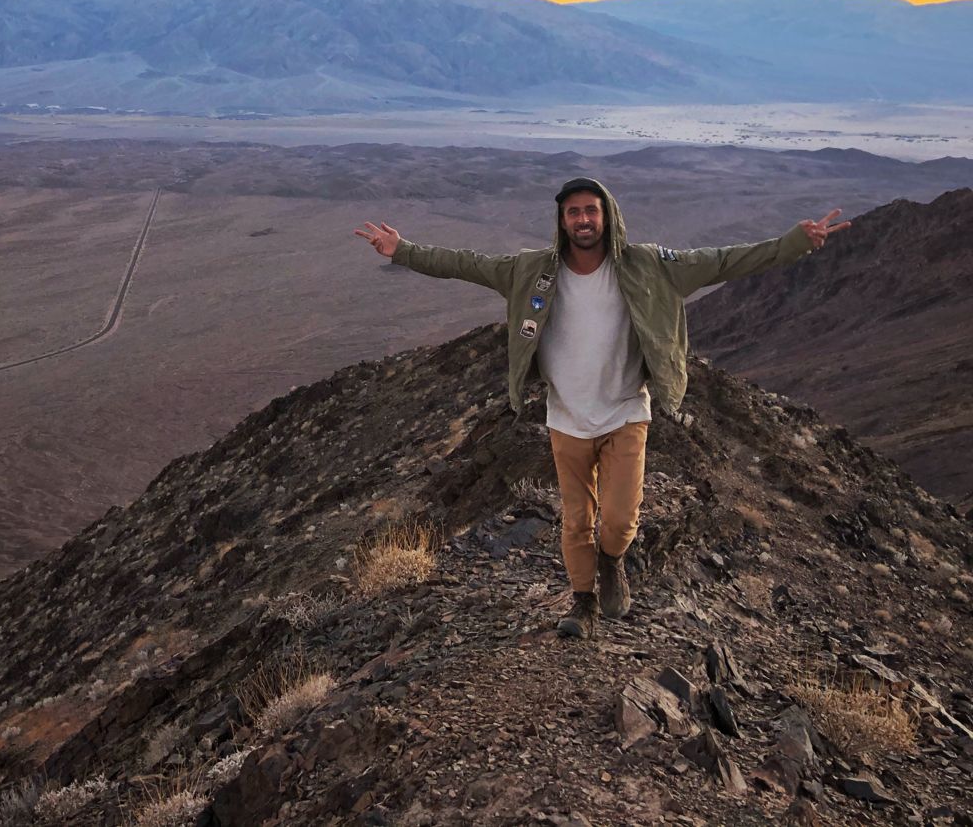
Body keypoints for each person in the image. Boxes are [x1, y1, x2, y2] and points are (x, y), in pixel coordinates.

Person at [355, 177, 849, 639]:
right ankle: (583, 603)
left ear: (607, 216)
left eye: (591, 210)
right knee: (575, 520)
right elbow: (467, 263)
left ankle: (612, 561)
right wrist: (404, 250)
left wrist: (794, 243)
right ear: (562, 221)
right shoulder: (532, 271)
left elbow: (724, 260)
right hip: (566, 418)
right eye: (573, 212)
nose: (583, 219)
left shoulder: (649, 265)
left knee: (617, 518)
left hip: (625, 412)